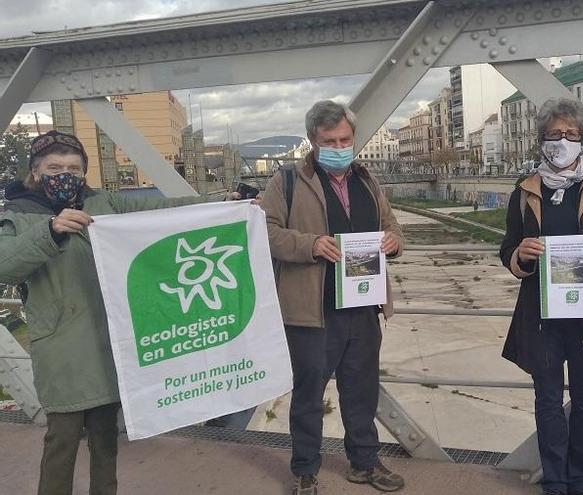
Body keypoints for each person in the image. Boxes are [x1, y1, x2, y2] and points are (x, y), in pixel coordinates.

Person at [0, 130, 237, 495]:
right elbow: (5, 266)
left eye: (74, 168)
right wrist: (50, 230)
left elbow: (163, 211)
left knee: (106, 439)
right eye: (55, 166)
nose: (66, 174)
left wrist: (225, 203)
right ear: (35, 171)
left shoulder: (102, 204)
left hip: (106, 342)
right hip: (61, 349)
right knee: (61, 441)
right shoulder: (17, 216)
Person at [262, 101, 406, 495]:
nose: (340, 146)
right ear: (313, 141)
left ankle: (365, 462)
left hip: (363, 305)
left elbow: (390, 225)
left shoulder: (366, 179)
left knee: (362, 392)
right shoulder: (287, 181)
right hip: (312, 313)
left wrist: (394, 242)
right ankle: (305, 470)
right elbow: (264, 230)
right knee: (308, 396)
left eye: (346, 139)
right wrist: (310, 245)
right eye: (330, 141)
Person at [499, 98, 583, 495]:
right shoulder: (524, 191)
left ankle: (582, 482)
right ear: (541, 139)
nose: (563, 141)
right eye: (555, 134)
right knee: (548, 403)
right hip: (541, 317)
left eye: (571, 134)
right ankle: (555, 483)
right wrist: (520, 255)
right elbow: (507, 249)